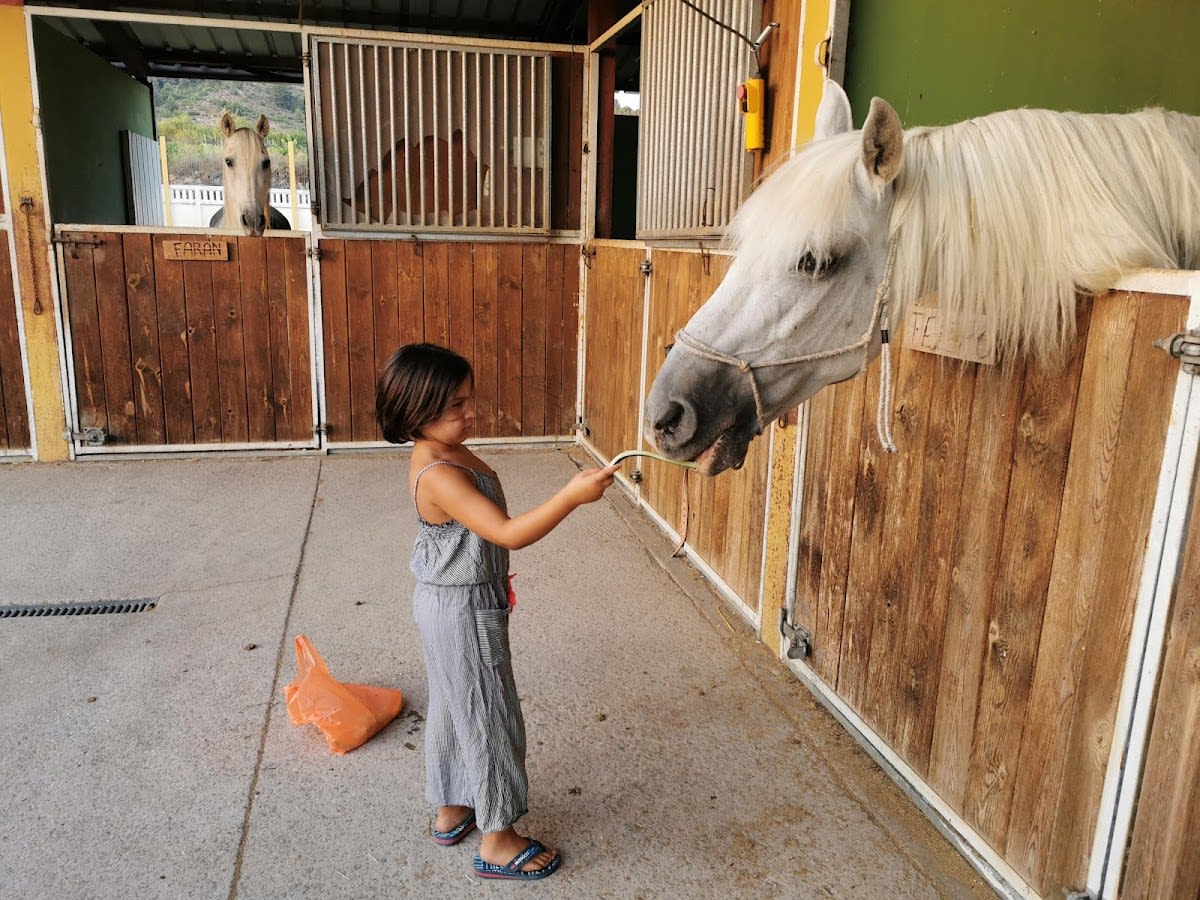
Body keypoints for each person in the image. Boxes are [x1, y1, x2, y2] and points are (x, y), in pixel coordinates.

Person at [376, 342, 618, 882]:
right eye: (454, 407)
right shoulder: (437, 471)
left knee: (453, 703)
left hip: (446, 600)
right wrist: (571, 496)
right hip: (463, 608)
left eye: (469, 400)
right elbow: (508, 532)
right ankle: (500, 839)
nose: (470, 414)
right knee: (489, 714)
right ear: (416, 411)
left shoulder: (441, 449)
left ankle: (453, 805)